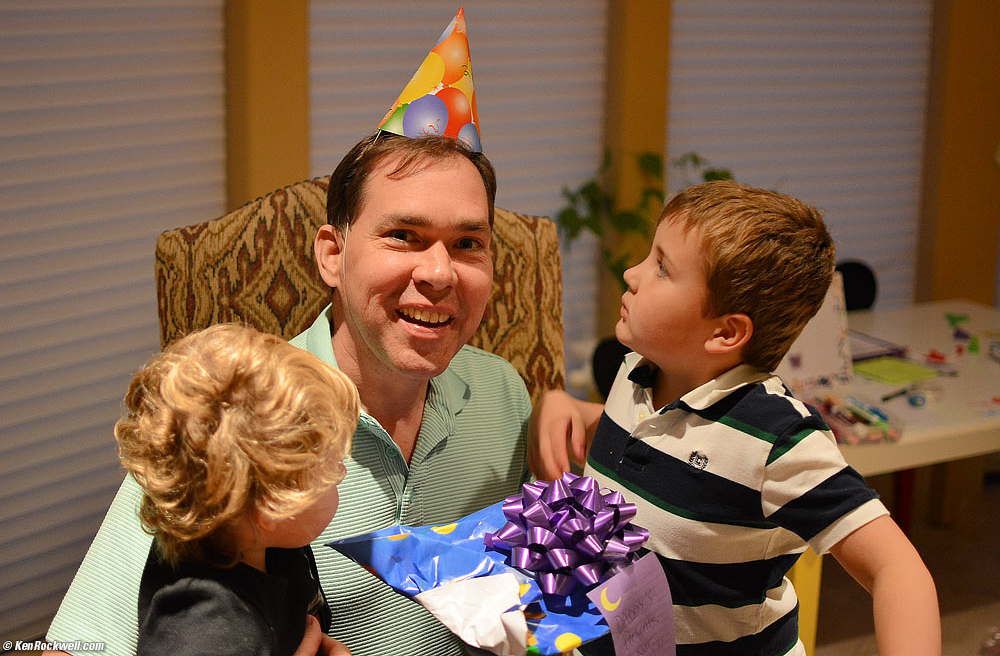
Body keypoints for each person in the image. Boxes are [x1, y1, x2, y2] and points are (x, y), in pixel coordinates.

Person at [45, 131, 532, 656]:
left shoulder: (502, 392)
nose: (439, 273)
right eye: (403, 235)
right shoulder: (236, 418)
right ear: (332, 255)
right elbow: (72, 648)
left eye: (467, 244)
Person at [528, 180, 940, 655]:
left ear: (725, 332)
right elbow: (654, 448)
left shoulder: (778, 440)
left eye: (661, 268)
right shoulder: (637, 372)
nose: (631, 273)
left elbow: (897, 569)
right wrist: (572, 409)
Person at [116, 324, 356, 656]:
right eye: (332, 466)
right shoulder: (209, 631)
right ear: (274, 503)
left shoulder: (254, 541)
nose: (342, 475)